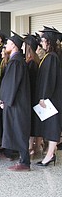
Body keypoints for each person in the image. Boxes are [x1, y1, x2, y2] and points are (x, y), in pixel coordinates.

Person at [0, 31, 31, 171]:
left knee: (19, 130)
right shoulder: (16, 60)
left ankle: (24, 162)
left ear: (14, 46)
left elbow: (12, 84)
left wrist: (5, 100)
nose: (6, 45)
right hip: (15, 102)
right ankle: (20, 159)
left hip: (17, 103)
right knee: (17, 129)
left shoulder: (16, 62)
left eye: (8, 43)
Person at [33, 26, 62, 167]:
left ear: (49, 42)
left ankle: (50, 155)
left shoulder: (51, 58)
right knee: (50, 126)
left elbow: (49, 79)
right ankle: (52, 152)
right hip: (51, 97)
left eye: (44, 40)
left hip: (52, 98)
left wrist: (44, 97)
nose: (42, 43)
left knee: (52, 126)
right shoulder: (49, 56)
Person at [24, 34, 41, 155]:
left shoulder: (31, 63)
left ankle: (31, 146)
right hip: (34, 95)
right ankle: (36, 146)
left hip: (31, 95)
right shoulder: (36, 61)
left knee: (32, 122)